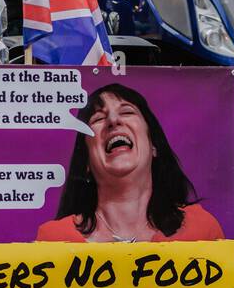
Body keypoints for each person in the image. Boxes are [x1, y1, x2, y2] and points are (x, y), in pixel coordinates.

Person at [37, 83, 222, 242]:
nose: (113, 120)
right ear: (86, 161)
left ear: (154, 146)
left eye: (126, 111)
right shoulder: (53, 238)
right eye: (98, 118)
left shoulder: (202, 230)